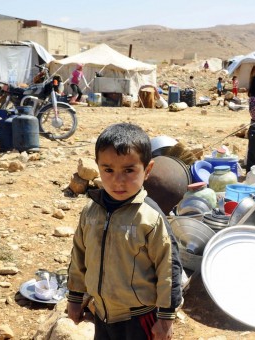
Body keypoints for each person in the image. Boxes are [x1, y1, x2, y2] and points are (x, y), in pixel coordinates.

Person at [67, 122, 183, 340]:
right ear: (98, 168)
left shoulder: (150, 218)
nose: (118, 180)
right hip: (101, 314)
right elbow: (78, 257)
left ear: (147, 170)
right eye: (108, 170)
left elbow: (169, 267)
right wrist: (74, 297)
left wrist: (166, 317)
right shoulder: (90, 211)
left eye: (129, 170)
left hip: (138, 319)